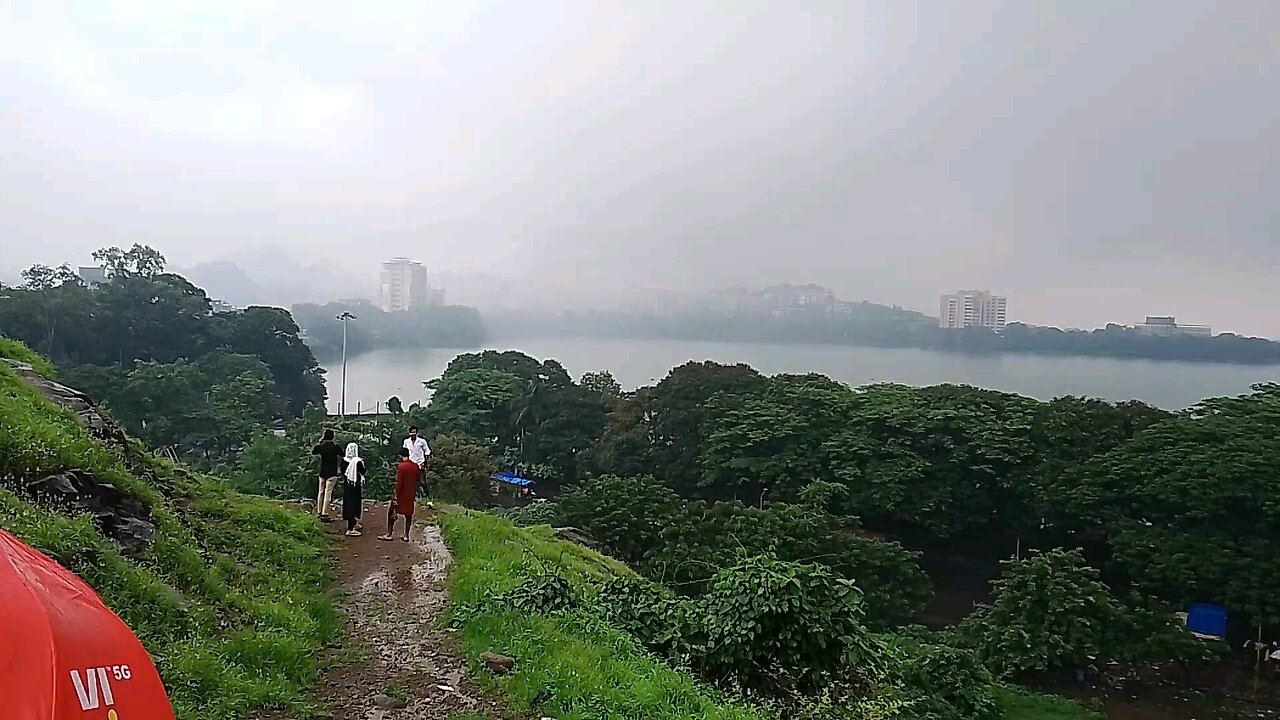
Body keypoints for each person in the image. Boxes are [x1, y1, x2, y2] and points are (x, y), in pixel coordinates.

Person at [380, 448, 419, 542]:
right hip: (410, 494)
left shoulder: (402, 467)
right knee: (408, 515)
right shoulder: (415, 466)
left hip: (401, 494)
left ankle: (389, 534)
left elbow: (399, 482)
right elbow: (418, 479)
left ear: (401, 456)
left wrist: (396, 495)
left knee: (391, 512)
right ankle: (406, 535)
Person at [310, 429, 342, 520]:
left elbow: (313, 451)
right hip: (332, 472)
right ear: (333, 437)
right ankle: (325, 513)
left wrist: (320, 441)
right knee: (328, 493)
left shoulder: (322, 447)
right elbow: (342, 454)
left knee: (321, 492)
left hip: (323, 472)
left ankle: (319, 512)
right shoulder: (336, 447)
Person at [338, 442, 365, 536]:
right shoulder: (357, 461)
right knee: (354, 504)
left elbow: (342, 472)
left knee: (348, 503)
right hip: (355, 485)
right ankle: (350, 528)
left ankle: (353, 523)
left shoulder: (344, 461)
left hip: (347, 485)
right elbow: (363, 471)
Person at [403, 425, 431, 494]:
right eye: (411, 432)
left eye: (414, 432)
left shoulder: (422, 441)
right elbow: (404, 452)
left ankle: (427, 495)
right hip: (410, 464)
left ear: (417, 433)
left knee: (422, 481)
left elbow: (427, 451)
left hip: (420, 464)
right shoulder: (406, 442)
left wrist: (424, 462)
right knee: (411, 481)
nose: (413, 434)